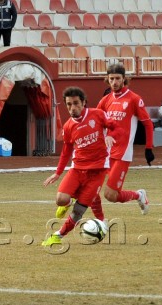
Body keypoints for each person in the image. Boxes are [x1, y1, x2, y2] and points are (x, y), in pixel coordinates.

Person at [41, 87, 122, 246]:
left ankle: (58, 235)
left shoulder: (98, 115)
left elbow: (116, 127)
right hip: (77, 169)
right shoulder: (68, 126)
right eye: (69, 104)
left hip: (98, 171)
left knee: (79, 211)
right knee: (60, 200)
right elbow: (66, 151)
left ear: (84, 102)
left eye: (76, 103)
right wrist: (57, 173)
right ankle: (72, 202)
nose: (72, 108)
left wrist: (111, 136)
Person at [90, 63, 155, 215]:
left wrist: (148, 148)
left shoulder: (134, 99)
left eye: (117, 78)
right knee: (90, 184)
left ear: (124, 79)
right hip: (105, 153)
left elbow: (148, 124)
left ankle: (139, 195)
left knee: (110, 195)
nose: (114, 82)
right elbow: (96, 124)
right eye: (111, 78)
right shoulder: (105, 100)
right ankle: (99, 220)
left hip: (122, 153)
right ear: (107, 79)